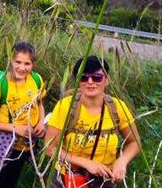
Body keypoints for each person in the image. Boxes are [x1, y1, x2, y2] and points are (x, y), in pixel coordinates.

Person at [45, 56, 140, 188]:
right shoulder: (66, 106)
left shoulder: (118, 107)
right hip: (67, 177)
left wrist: (122, 161)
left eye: (97, 78)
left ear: (106, 80)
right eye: (83, 77)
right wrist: (86, 163)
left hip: (104, 180)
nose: (90, 82)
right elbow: (50, 148)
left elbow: (134, 142)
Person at [0, 42, 46, 188]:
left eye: (27, 63)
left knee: (11, 180)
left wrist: (40, 123)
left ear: (33, 64)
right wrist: (15, 128)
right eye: (18, 62)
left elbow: (39, 104)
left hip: (25, 146)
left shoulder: (36, 80)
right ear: (10, 61)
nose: (22, 68)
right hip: (3, 145)